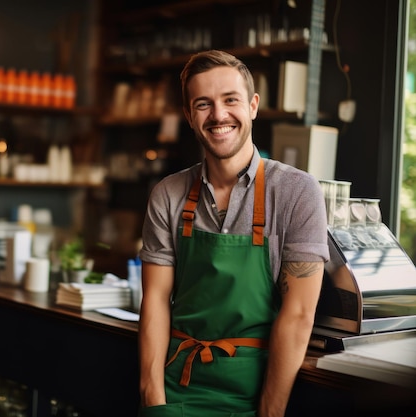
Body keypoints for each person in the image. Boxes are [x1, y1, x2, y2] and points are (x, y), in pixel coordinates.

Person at [138, 50, 329, 417]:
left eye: (231, 100)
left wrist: (269, 413)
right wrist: (153, 401)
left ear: (253, 106)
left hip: (253, 394)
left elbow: (299, 313)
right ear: (189, 117)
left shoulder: (297, 192)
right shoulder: (168, 193)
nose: (219, 116)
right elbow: (156, 302)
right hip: (178, 389)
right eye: (203, 104)